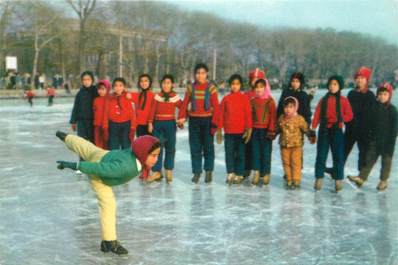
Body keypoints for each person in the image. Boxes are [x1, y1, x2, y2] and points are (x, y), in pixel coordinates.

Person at [55, 131, 160, 255]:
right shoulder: (125, 168)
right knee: (108, 205)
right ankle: (109, 241)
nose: (156, 159)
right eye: (153, 155)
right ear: (143, 153)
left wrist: (68, 139)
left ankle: (66, 137)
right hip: (101, 177)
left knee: (88, 148)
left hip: (105, 155)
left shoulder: (136, 153)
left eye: (157, 155)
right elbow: (97, 168)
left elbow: (139, 144)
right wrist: (74, 165)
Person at [326, 66, 376, 176]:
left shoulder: (370, 96)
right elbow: (345, 110)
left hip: (364, 130)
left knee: (363, 153)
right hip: (351, 128)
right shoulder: (351, 93)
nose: (359, 80)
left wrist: (371, 131)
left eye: (362, 78)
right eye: (358, 78)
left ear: (367, 80)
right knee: (342, 151)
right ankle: (336, 169)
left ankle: (361, 175)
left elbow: (372, 115)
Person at [348, 82, 397, 191]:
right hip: (374, 140)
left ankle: (383, 181)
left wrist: (391, 143)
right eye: (380, 94)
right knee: (369, 160)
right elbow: (368, 123)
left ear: (389, 96)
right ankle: (361, 178)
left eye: (385, 94)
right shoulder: (373, 108)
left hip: (387, 142)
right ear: (377, 95)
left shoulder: (392, 110)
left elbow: (394, 129)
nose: (382, 97)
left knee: (386, 162)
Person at [179, 63, 220, 184]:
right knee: (195, 147)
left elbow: (216, 107)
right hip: (194, 121)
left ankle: (208, 171)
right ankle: (197, 172)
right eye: (198, 73)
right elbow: (185, 104)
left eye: (202, 73)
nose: (200, 75)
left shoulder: (211, 88)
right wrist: (181, 118)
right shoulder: (191, 88)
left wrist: (215, 124)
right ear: (195, 75)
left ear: (207, 74)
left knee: (208, 147)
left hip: (207, 120)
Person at [312, 75, 353, 192]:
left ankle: (338, 179)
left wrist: (341, 119)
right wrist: (313, 128)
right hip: (324, 130)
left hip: (337, 131)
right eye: (330, 84)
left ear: (339, 86)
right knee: (321, 155)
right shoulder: (323, 100)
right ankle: (319, 178)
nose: (332, 86)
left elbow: (350, 115)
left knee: (338, 156)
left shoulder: (343, 101)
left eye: (335, 84)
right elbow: (317, 115)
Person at [216, 74, 252, 185]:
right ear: (230, 85)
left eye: (237, 84)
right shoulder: (226, 99)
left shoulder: (244, 98)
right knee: (229, 153)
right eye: (233, 84)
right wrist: (219, 130)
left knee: (241, 154)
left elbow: (248, 114)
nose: (235, 86)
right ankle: (230, 172)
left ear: (240, 85)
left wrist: (249, 128)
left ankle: (239, 173)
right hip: (229, 132)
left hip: (241, 132)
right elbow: (221, 115)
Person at [147, 74, 182, 183]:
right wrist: (150, 123)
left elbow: (183, 107)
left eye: (168, 83)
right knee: (157, 148)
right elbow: (152, 110)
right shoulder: (157, 96)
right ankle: (157, 171)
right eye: (164, 83)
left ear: (172, 85)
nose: (166, 85)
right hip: (158, 124)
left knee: (170, 148)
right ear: (161, 84)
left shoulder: (174, 97)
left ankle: (168, 170)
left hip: (170, 124)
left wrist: (181, 119)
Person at [276, 97, 315, 189]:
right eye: (286, 107)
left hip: (296, 145)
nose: (288, 109)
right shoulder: (281, 118)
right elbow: (277, 128)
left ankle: (296, 179)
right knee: (286, 162)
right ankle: (289, 178)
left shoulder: (299, 118)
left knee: (295, 162)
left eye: (291, 107)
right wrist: (272, 134)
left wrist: (311, 135)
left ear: (295, 108)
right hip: (284, 145)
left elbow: (305, 128)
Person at [250, 78, 277, 186]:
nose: (259, 89)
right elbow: (250, 116)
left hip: (266, 131)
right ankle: (256, 172)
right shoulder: (252, 101)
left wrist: (271, 129)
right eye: (257, 87)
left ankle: (266, 173)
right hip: (255, 130)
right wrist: (249, 128)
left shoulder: (270, 101)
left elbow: (273, 116)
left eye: (261, 87)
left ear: (265, 88)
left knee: (266, 152)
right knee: (255, 152)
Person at [103, 77, 136, 150]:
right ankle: (114, 161)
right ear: (113, 87)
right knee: (113, 147)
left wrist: (133, 127)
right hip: (113, 125)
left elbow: (132, 113)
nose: (118, 88)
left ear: (124, 87)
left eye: (120, 85)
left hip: (126, 125)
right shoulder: (109, 98)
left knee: (126, 147)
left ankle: (125, 161)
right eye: (116, 85)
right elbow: (105, 113)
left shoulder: (128, 97)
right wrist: (105, 127)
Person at [70, 71, 98, 143]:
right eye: (84, 80)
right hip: (81, 121)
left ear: (92, 80)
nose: (86, 82)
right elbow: (75, 107)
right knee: (82, 142)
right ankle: (82, 154)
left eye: (88, 79)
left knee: (93, 142)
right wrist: (73, 121)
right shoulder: (80, 93)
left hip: (93, 121)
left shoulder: (96, 91)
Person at [93, 80, 111, 149]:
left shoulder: (110, 99)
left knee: (106, 144)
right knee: (98, 144)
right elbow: (94, 110)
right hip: (97, 125)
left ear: (107, 89)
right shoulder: (96, 100)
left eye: (103, 89)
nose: (101, 91)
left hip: (107, 126)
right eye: (99, 89)